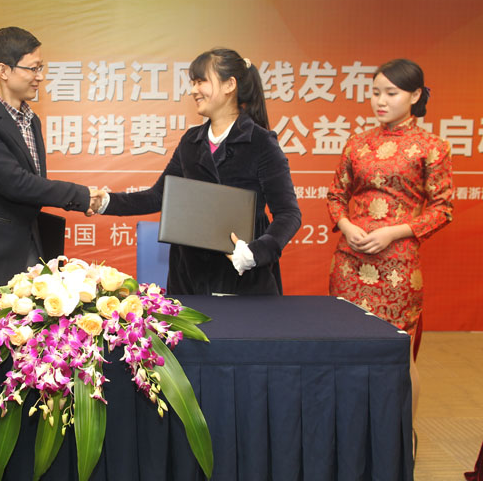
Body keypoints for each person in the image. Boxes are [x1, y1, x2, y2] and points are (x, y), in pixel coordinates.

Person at [94, 48, 301, 295]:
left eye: (201, 81)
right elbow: (158, 196)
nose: (193, 90)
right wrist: (105, 202)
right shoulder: (191, 140)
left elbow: (288, 214)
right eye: (193, 83)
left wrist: (255, 253)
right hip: (189, 277)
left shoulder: (261, 142)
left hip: (243, 280)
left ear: (230, 85)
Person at [326, 58, 452, 453]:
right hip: (350, 261)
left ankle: (401, 438)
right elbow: (336, 196)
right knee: (345, 349)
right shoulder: (357, 143)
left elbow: (443, 208)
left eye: (391, 93)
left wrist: (393, 233)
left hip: (397, 265)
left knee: (399, 354)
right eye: (376, 92)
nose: (380, 101)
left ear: (415, 96)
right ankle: (348, 434)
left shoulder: (433, 146)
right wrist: (346, 225)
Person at [0, 27, 98, 293]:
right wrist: (82, 195)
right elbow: (16, 183)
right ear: (4, 71)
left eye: (41, 68)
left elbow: (34, 185)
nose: (40, 76)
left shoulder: (30, 120)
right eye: (33, 68)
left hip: (28, 252)